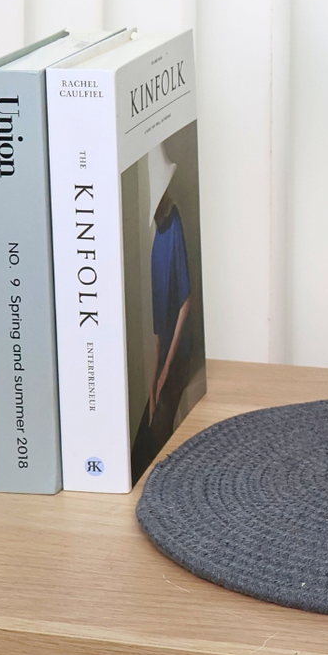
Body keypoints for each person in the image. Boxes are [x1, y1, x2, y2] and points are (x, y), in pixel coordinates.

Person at [130, 143, 192, 483]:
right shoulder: (156, 245)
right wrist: (154, 380)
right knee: (147, 420)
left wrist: (167, 369)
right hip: (165, 351)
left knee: (161, 424)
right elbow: (157, 329)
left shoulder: (175, 224)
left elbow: (186, 302)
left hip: (179, 351)